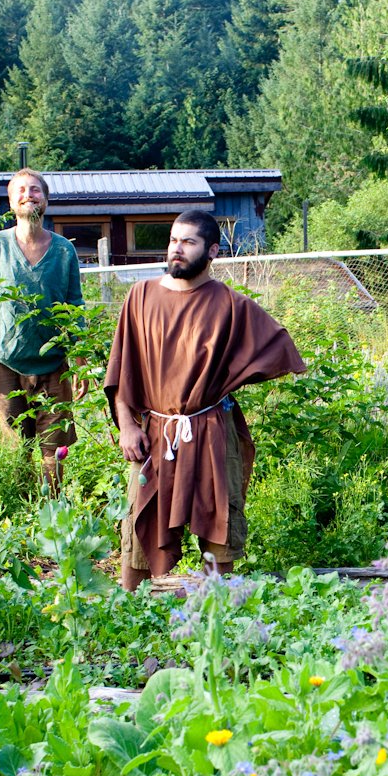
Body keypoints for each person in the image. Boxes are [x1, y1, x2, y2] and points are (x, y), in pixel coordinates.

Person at [103, 209, 306, 591]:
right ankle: (128, 614)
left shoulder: (230, 304)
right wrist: (128, 425)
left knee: (220, 527)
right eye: (173, 240)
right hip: (156, 432)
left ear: (212, 249)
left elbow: (277, 347)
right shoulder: (141, 297)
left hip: (212, 428)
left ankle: (216, 611)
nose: (176, 249)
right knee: (140, 525)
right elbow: (120, 371)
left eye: (188, 242)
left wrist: (231, 379)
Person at [0, 168, 87, 491]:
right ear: (11, 203)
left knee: (54, 450)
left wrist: (80, 362)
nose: (28, 195)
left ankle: (52, 512)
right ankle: (22, 516)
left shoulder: (64, 251)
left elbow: (74, 308)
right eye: (20, 190)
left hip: (54, 367)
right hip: (6, 363)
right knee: (17, 448)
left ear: (46, 200)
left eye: (35, 189)